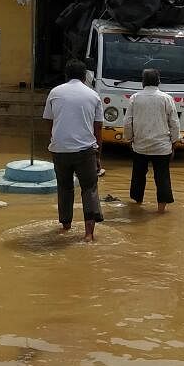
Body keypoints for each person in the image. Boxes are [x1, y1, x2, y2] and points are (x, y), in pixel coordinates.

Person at [42, 59, 105, 242]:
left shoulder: (55, 92)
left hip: (59, 150)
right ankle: (88, 234)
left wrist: (55, 139)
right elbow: (98, 128)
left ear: (66, 75)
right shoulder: (93, 95)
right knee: (89, 188)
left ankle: (66, 226)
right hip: (85, 150)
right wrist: (98, 155)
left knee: (64, 187)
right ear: (85, 76)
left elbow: (48, 120)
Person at [123, 68, 180, 213]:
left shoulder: (135, 98)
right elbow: (174, 123)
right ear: (158, 81)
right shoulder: (166, 98)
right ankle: (161, 210)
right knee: (162, 177)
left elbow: (128, 122)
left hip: (140, 146)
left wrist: (129, 139)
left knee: (138, 176)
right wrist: (174, 143)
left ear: (143, 82)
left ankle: (137, 205)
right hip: (162, 147)